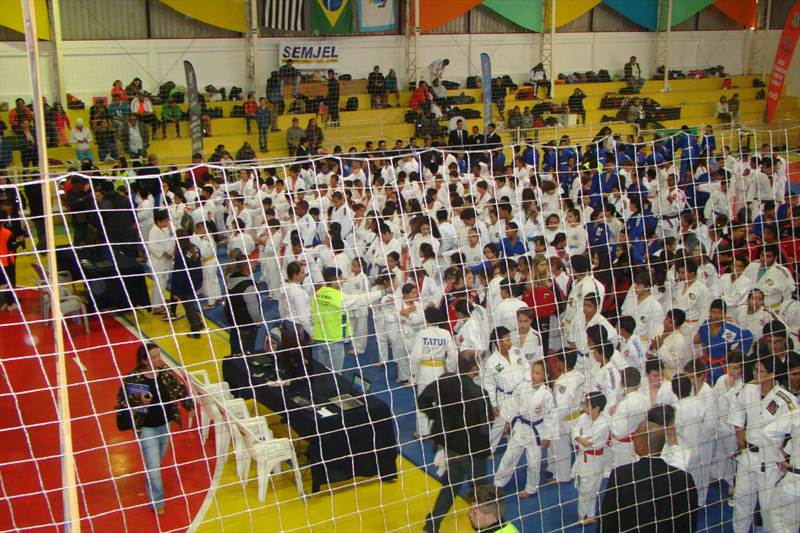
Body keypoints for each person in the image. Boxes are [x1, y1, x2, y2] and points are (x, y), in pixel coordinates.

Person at [115, 343, 195, 515]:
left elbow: (179, 390)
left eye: (159, 355)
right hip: (146, 428)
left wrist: (189, 406)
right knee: (154, 467)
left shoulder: (165, 373)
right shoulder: (133, 379)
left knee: (156, 462)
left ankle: (151, 480)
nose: (159, 359)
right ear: (144, 361)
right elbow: (123, 403)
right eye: (154, 357)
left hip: (165, 424)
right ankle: (157, 501)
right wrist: (140, 403)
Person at [418, 354, 493, 533]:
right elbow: (486, 425)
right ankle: (488, 526)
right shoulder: (479, 393)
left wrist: (438, 416)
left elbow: (422, 401)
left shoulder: (444, 381)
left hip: (452, 447)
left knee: (450, 487)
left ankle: (432, 524)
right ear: (474, 368)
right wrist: (486, 451)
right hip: (472, 450)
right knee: (481, 491)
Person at [729, 355, 799, 533]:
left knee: (768, 506)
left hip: (770, 460)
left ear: (771, 374)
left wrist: (785, 452)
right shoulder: (748, 389)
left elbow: (796, 429)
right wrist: (739, 430)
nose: (755, 374)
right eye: (754, 369)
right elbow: (737, 408)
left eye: (759, 371)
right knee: (741, 500)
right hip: (748, 455)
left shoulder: (786, 399)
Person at [599, 421, 698, 532]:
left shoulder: (621, 476)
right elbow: (688, 522)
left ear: (642, 445)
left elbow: (608, 520)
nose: (633, 439)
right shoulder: (683, 478)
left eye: (635, 437)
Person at [310, 267, 385, 372]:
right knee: (335, 373)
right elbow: (361, 300)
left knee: (322, 371)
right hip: (334, 339)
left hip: (320, 338)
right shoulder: (338, 297)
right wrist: (382, 292)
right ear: (334, 280)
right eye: (340, 278)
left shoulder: (318, 293)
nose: (343, 280)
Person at [410, 307, 458, 438]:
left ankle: (422, 432)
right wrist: (450, 369)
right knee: (438, 401)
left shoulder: (422, 333)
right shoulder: (445, 333)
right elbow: (453, 354)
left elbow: (416, 356)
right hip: (440, 370)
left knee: (423, 400)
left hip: (425, 370)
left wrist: (413, 374)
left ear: (426, 319)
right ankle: (436, 431)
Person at [572, 391, 610, 526]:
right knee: (584, 486)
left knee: (588, 489)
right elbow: (575, 431)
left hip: (594, 460)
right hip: (583, 457)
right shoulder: (584, 417)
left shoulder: (603, 423)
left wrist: (579, 437)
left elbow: (588, 442)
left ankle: (584, 515)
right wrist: (579, 437)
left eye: (586, 404)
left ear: (596, 408)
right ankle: (590, 515)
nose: (584, 407)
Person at [224, 249, 261, 355]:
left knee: (235, 350)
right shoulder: (248, 286)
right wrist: (258, 322)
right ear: (246, 267)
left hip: (234, 323)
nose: (255, 264)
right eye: (252, 263)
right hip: (246, 326)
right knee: (246, 354)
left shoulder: (230, 280)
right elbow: (253, 310)